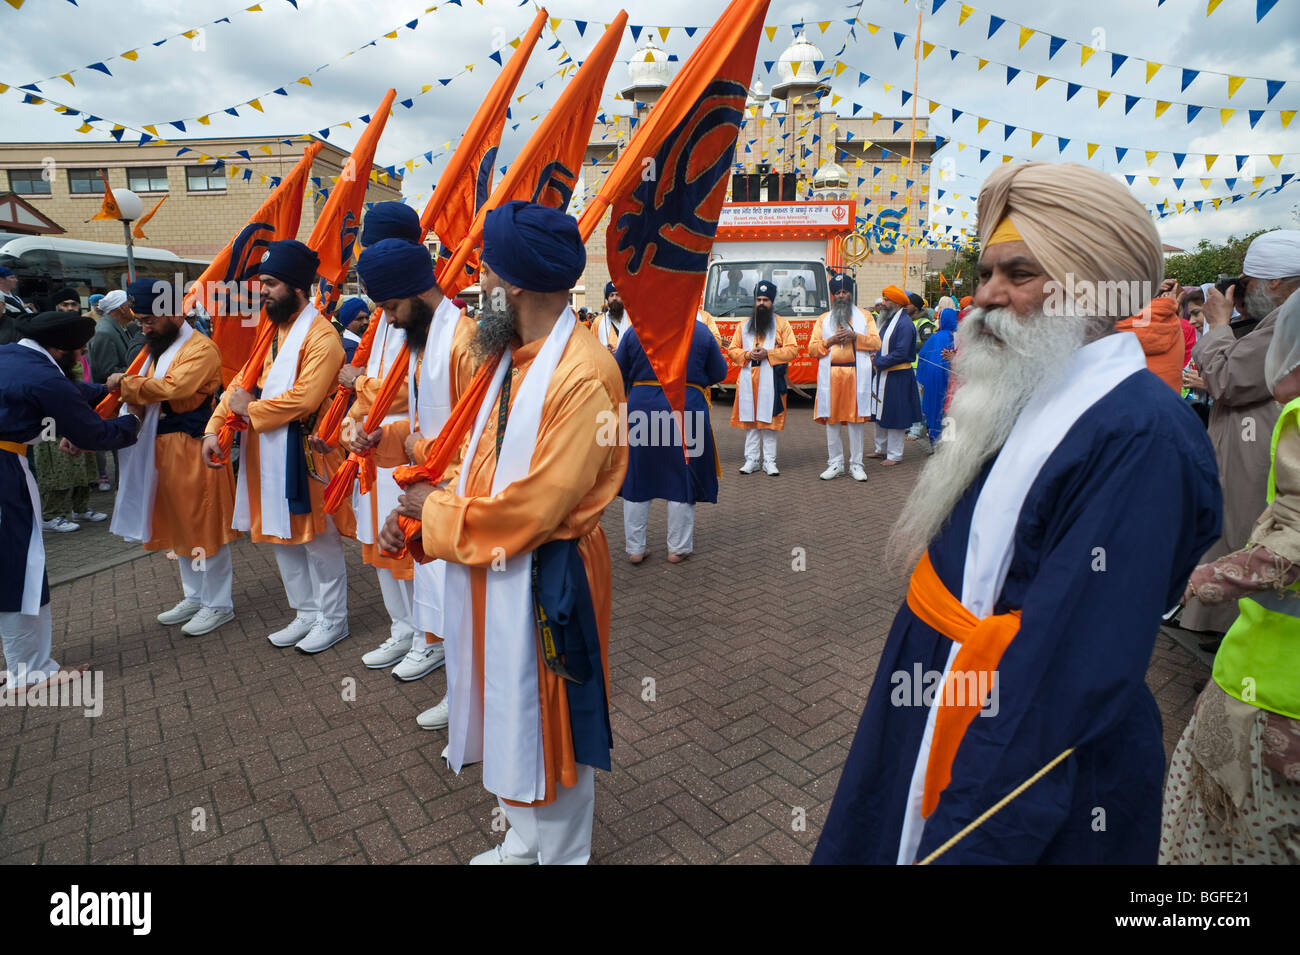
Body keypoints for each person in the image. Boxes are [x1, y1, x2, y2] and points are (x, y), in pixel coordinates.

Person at [813, 161, 1221, 865]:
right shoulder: (1028, 386)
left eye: (1018, 274)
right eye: (985, 273)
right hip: (939, 692)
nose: (986, 298)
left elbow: (1065, 677)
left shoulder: (1142, 435)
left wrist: (968, 839)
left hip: (1021, 759)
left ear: (1089, 288)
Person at [379, 200, 626, 865]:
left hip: (549, 569)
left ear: (511, 281)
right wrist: (412, 476)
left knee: (554, 715)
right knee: (509, 704)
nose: (477, 282)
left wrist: (433, 514)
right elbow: (476, 457)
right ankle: (524, 837)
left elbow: (533, 509)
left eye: (486, 269)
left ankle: (564, 853)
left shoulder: (581, 374)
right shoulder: (511, 355)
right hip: (494, 562)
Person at [1163, 288, 1300, 864]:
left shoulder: (1296, 413)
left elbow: (1288, 545)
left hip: (1271, 692)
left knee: (1214, 836)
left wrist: (1190, 583)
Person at [202, 239, 355, 654]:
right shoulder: (273, 330)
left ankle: (333, 619)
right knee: (277, 533)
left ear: (296, 288)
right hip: (263, 446)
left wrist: (250, 408)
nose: (263, 291)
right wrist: (214, 428)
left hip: (304, 452)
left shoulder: (322, 336)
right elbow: (241, 383)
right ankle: (305, 612)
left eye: (270, 283)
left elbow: (305, 398)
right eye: (262, 283)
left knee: (317, 539)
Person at [351, 237, 477, 729]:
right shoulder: (426, 340)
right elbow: (428, 426)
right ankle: (461, 692)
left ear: (417, 293)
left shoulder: (464, 343)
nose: (387, 319)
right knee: (445, 601)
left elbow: (479, 436)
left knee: (465, 607)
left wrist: (432, 493)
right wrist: (386, 435)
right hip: (431, 491)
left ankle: (470, 700)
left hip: (456, 497)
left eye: (390, 307)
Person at [0, 310, 140, 687]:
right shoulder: (45, 376)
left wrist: (112, 389)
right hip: (5, 472)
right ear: (59, 349)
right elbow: (92, 433)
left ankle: (21, 664)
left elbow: (71, 391)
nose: (80, 359)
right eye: (78, 352)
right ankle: (29, 672)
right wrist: (133, 421)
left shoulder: (12, 356)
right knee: (21, 567)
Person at [1180, 230, 1300, 637]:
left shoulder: (1287, 318)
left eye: (1248, 284)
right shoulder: (1277, 318)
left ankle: (1230, 630)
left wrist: (1217, 324)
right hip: (1258, 439)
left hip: (1259, 447)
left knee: (1244, 533)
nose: (1243, 293)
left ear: (1277, 283)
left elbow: (1229, 377)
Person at [106, 280, 240, 636]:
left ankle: (218, 603)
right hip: (161, 448)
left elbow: (173, 388)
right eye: (141, 321)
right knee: (180, 523)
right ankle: (195, 596)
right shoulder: (155, 349)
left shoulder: (201, 348)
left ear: (173, 312)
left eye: (150, 320)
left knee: (202, 524)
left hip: (194, 447)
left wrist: (124, 384)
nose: (144, 327)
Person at [616, 308, 726, 563]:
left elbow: (619, 368)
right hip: (685, 405)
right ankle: (677, 548)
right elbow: (719, 373)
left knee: (637, 475)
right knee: (682, 476)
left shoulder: (636, 330)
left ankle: (635, 548)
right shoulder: (700, 331)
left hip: (641, 407)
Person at [808, 273, 880, 481]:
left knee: (856, 422)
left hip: (856, 376)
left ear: (851, 293)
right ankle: (836, 463)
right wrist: (829, 341)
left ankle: (856, 464)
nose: (841, 295)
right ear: (833, 296)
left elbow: (876, 343)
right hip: (831, 377)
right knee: (832, 421)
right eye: (837, 292)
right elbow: (812, 349)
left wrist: (855, 336)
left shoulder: (865, 316)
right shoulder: (823, 319)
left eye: (845, 291)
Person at [728, 281, 799, 476]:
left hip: (772, 380)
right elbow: (732, 349)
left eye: (765, 300)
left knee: (769, 422)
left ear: (772, 301)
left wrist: (769, 353)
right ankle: (751, 460)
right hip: (748, 379)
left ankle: (769, 461)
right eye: (758, 299)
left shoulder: (782, 324)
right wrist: (748, 355)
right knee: (751, 422)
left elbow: (793, 350)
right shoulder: (743, 325)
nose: (761, 303)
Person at [868, 286, 923, 466]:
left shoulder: (904, 324)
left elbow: (900, 352)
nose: (882, 304)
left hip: (897, 375)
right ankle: (881, 449)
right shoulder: (889, 321)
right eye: (883, 299)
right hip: (883, 374)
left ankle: (895, 454)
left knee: (896, 416)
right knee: (881, 414)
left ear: (897, 303)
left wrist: (879, 361)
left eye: (886, 300)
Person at [915, 306, 957, 449]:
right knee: (949, 410)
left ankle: (935, 442)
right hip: (951, 381)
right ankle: (948, 443)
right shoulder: (957, 338)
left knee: (934, 408)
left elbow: (922, 356)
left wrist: (925, 376)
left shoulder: (934, 337)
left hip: (933, 381)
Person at [0, 267, 35, 345]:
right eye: (12, 277)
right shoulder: (1, 298)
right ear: (1, 280)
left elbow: (28, 314)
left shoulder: (16, 298)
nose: (16, 280)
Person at [594, 281, 627, 353]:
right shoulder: (598, 322)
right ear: (607, 299)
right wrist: (603, 351)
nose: (614, 298)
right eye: (611, 295)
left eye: (617, 294)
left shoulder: (632, 320)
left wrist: (622, 353)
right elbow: (591, 347)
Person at [336, 297, 369, 364]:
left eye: (367, 318)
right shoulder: (350, 349)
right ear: (347, 323)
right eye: (360, 319)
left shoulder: (360, 343)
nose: (366, 322)